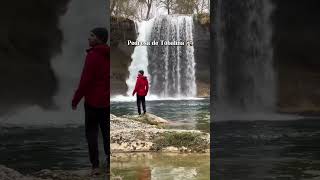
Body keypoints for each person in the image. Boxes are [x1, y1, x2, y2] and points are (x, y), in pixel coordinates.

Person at [71, 27, 110, 176]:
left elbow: (85, 81)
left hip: (93, 102)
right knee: (106, 133)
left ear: (99, 38)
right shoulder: (109, 54)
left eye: (92, 36)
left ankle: (95, 166)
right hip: (106, 102)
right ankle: (109, 163)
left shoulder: (93, 55)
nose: (89, 38)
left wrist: (75, 100)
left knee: (92, 134)